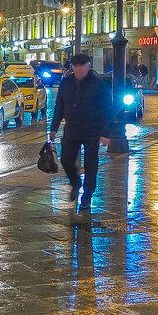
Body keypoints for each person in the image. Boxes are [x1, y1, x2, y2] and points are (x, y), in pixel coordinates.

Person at [48, 53, 115, 224]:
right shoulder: (66, 83)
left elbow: (108, 109)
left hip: (92, 130)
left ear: (88, 66)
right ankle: (76, 183)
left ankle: (87, 196)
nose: (78, 69)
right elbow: (60, 105)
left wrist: (106, 133)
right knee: (66, 160)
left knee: (91, 165)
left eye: (81, 66)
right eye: (75, 66)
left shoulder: (98, 84)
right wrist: (54, 127)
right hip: (72, 129)